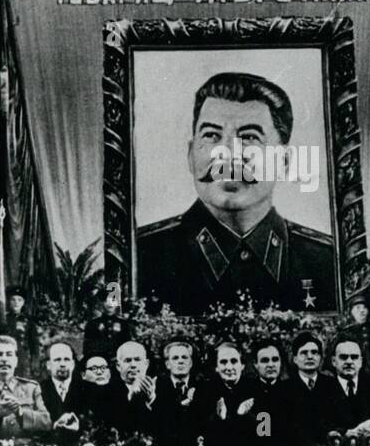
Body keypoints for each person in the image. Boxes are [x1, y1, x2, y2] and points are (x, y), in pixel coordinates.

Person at [135, 72, 336, 313]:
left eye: (249, 137)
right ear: (191, 154)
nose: (226, 154)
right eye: (211, 135)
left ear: (284, 162)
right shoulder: (139, 258)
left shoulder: (329, 262)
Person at [206, 340, 274, 446]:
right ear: (216, 367)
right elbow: (203, 433)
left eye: (234, 361)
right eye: (223, 362)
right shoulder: (206, 392)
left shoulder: (258, 390)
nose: (229, 367)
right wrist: (219, 418)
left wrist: (245, 416)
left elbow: (266, 432)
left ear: (242, 365)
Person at [315, 332, 370, 438]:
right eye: (343, 357)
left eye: (354, 357)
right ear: (334, 361)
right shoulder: (321, 389)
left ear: (361, 361)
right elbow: (318, 425)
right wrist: (347, 432)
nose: (349, 361)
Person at [41, 340, 86, 432]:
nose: (62, 364)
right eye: (57, 360)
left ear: (73, 364)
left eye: (66, 359)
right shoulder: (38, 390)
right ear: (48, 365)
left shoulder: (87, 389)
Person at [82, 290, 134, 362]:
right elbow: (88, 349)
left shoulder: (124, 324)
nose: (110, 304)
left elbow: (128, 346)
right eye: (106, 301)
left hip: (119, 363)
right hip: (99, 363)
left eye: (113, 300)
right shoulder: (92, 324)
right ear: (101, 303)